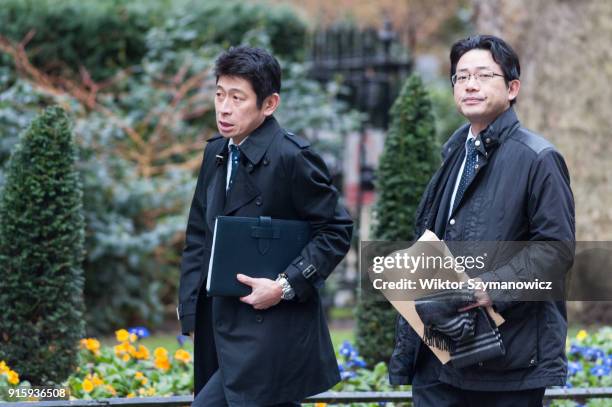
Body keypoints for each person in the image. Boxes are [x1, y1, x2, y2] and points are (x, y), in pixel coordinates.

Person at [388, 35, 575, 406]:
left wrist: (489, 287)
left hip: (505, 364)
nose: (470, 85)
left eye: (484, 75)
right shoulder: (455, 153)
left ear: (512, 88)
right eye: (460, 77)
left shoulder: (538, 158)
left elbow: (555, 251)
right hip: (440, 354)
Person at [177, 45, 353, 406]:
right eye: (219, 94)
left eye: (237, 98)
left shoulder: (293, 157)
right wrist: (191, 308)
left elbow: (336, 231)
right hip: (219, 324)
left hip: (271, 328)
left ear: (269, 104)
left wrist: (285, 285)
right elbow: (198, 233)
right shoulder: (217, 152)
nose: (224, 108)